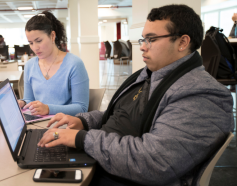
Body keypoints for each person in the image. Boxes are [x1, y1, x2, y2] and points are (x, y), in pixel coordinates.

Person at [37, 5, 234, 186]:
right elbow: (120, 114)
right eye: (143, 39)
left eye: (152, 39)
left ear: (182, 42)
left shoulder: (200, 95)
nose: (142, 46)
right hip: (108, 161)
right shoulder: (152, 74)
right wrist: (83, 122)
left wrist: (82, 139)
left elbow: (153, 163)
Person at [17, 11, 89, 116]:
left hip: (65, 125)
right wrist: (23, 103)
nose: (35, 48)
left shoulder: (74, 64)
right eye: (31, 43)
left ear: (52, 36)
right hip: (39, 122)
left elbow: (81, 108)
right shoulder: (29, 65)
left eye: (39, 41)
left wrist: (48, 109)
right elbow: (29, 99)